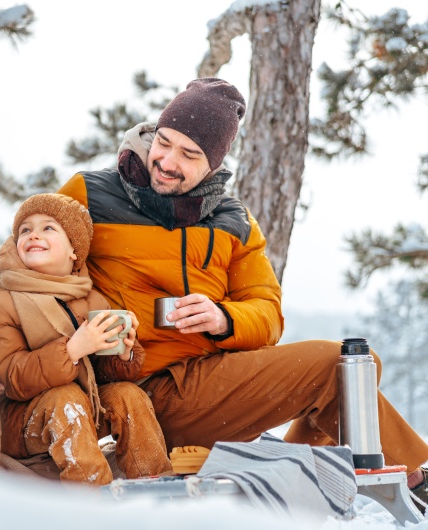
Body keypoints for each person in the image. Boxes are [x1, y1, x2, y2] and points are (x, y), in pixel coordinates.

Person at [57, 78, 428, 506]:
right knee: (337, 370)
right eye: (163, 142)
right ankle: (414, 481)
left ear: (213, 164)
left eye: (189, 154)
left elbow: (268, 313)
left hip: (209, 384)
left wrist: (223, 318)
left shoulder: (233, 221)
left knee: (355, 368)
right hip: (134, 389)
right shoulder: (90, 194)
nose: (167, 161)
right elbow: (24, 254)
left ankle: (303, 465)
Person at [0, 193, 172, 485]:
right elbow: (11, 376)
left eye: (48, 228)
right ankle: (91, 495)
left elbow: (100, 373)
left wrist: (123, 355)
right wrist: (71, 350)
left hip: (85, 406)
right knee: (65, 399)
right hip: (20, 421)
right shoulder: (3, 301)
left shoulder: (90, 297)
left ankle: (155, 481)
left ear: (74, 250)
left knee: (127, 396)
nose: (34, 234)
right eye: (25, 229)